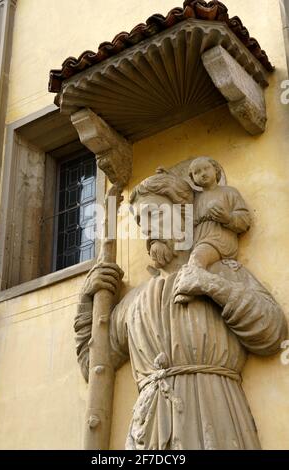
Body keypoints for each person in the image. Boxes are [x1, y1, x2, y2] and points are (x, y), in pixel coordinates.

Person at [74, 170, 287, 450]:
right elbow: (95, 366)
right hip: (149, 432)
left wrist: (210, 285)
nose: (147, 229)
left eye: (155, 215)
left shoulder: (224, 272)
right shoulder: (133, 302)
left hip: (215, 416)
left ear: (185, 216)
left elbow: (273, 332)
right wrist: (87, 304)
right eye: (140, 221)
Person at [175, 156, 251, 303]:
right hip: (200, 242)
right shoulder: (195, 199)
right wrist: (166, 176)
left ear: (215, 170)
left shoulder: (229, 192)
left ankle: (187, 287)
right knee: (192, 255)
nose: (202, 173)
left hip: (220, 240)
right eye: (197, 172)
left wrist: (228, 218)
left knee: (197, 257)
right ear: (193, 179)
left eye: (206, 169)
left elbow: (245, 219)